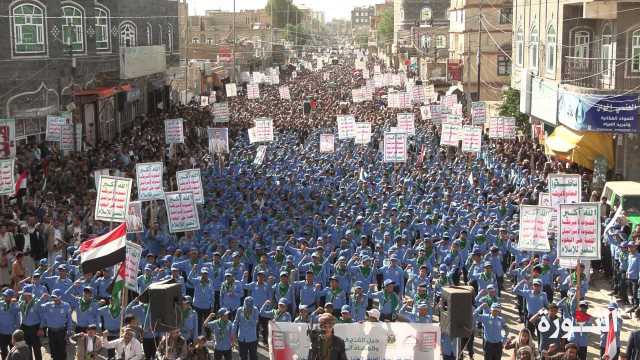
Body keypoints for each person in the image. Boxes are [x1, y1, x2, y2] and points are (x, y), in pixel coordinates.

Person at [40, 289, 72, 360]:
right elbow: (38, 306)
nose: (54, 299)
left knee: (62, 350)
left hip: (61, 331)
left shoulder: (66, 306)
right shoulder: (48, 305)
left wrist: (69, 331)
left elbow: (69, 319)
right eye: (53, 297)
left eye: (56, 297)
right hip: (51, 332)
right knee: (53, 350)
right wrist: (42, 298)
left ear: (60, 297)